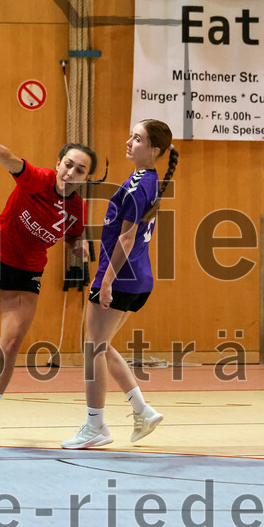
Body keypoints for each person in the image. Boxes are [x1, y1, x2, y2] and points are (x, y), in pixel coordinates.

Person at [0, 138, 96, 452]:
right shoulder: (39, 180)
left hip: (27, 270)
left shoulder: (78, 208)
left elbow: (73, 238)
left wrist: (80, 247)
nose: (71, 172)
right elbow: (16, 163)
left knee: (10, 344)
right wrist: (0, 153)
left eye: (80, 170)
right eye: (68, 164)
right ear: (58, 163)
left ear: (86, 178)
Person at [61, 119, 179, 450]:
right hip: (137, 276)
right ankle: (142, 410)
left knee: (93, 348)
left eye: (137, 139)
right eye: (131, 136)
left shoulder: (139, 186)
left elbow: (126, 239)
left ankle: (95, 425)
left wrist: (108, 280)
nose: (129, 142)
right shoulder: (147, 180)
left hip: (120, 275)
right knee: (101, 344)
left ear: (153, 150)